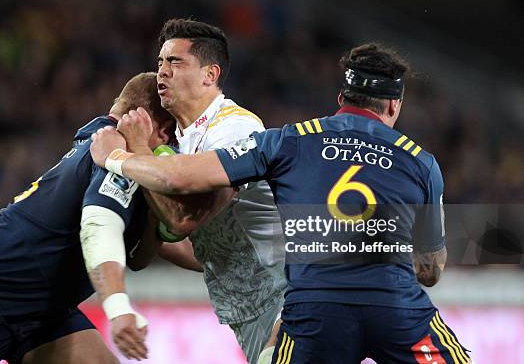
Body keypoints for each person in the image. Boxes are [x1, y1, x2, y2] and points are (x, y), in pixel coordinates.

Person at [90, 44, 472, 364]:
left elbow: (179, 177)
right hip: (396, 309)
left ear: (341, 99)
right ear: (393, 107)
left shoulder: (287, 140)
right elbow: (429, 270)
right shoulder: (421, 162)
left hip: (313, 315)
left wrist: (119, 157)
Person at [0, 72, 174, 364]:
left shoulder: (104, 139)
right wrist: (118, 306)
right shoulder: (114, 153)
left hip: (42, 314)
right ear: (161, 133)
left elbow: (140, 256)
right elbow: (98, 228)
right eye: (176, 140)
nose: (175, 154)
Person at [111, 18, 287, 364]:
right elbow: (194, 250)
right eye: (160, 62)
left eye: (175, 62)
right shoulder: (180, 145)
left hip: (287, 298)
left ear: (210, 75)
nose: (163, 72)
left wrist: (130, 155)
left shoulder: (234, 128)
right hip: (247, 311)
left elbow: (184, 221)